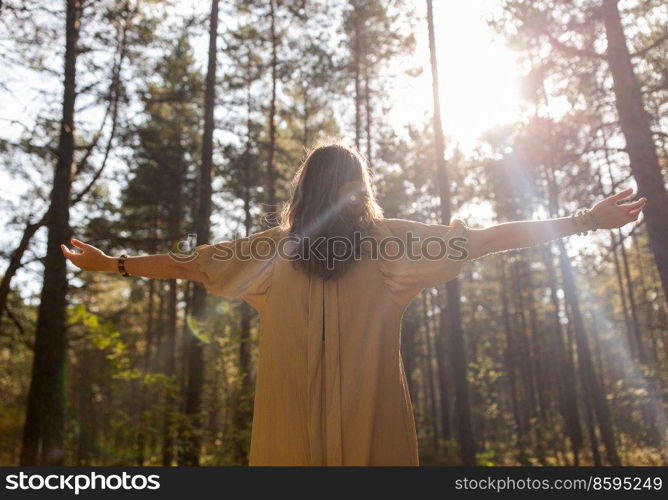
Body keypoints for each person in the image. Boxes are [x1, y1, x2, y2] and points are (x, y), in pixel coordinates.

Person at [61, 141, 646, 466]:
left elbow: (188, 264)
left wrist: (110, 263)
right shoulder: (391, 242)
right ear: (359, 188)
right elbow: (490, 238)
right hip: (372, 433)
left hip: (290, 437)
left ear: (303, 191)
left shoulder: (270, 251)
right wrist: (585, 220)